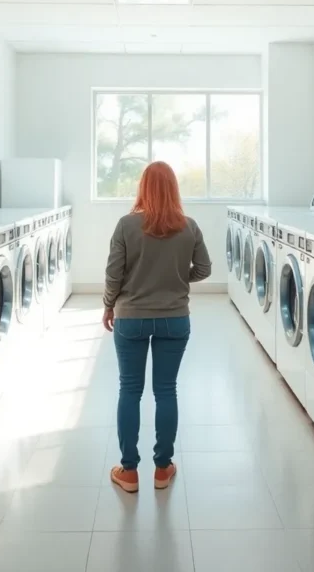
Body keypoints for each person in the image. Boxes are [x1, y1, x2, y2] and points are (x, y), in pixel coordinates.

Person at [102, 161, 212, 494]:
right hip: (175, 318)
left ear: (143, 188)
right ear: (174, 189)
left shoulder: (125, 225)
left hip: (131, 318)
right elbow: (204, 269)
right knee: (166, 390)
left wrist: (109, 304)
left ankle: (130, 471)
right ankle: (163, 469)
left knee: (130, 391)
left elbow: (114, 275)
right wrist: (178, 281)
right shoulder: (189, 227)